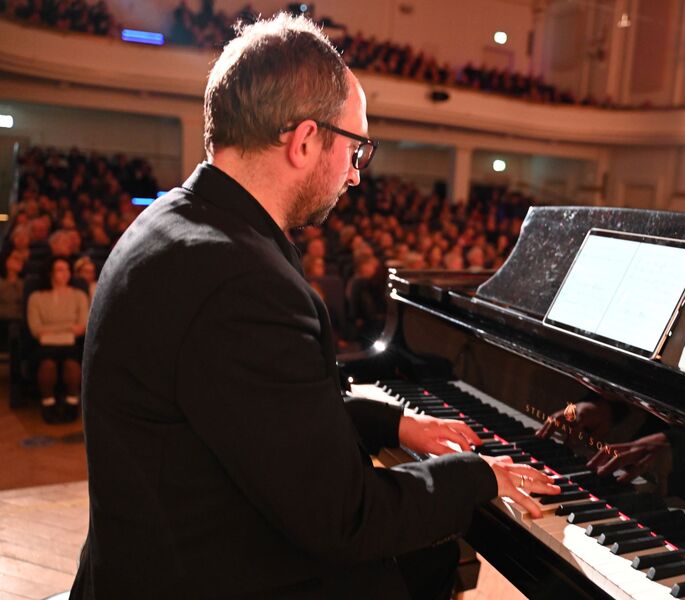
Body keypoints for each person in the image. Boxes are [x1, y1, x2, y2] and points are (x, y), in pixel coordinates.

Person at [71, 14, 557, 599]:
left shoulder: (177, 220)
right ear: (304, 141)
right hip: (196, 578)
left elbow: (262, 417)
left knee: (425, 555)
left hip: (156, 550)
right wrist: (477, 475)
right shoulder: (242, 281)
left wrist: (393, 423)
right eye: (356, 149)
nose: (355, 176)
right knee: (424, 558)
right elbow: (346, 519)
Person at [26, 257, 88, 423]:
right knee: (47, 365)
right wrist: (68, 327)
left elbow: (81, 327)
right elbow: (36, 330)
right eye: (60, 270)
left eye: (67, 269)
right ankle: (48, 403)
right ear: (50, 273)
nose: (65, 273)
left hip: (72, 344)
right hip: (44, 346)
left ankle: (72, 402)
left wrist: (50, 329)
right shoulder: (36, 297)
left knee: (72, 364)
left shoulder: (79, 295)